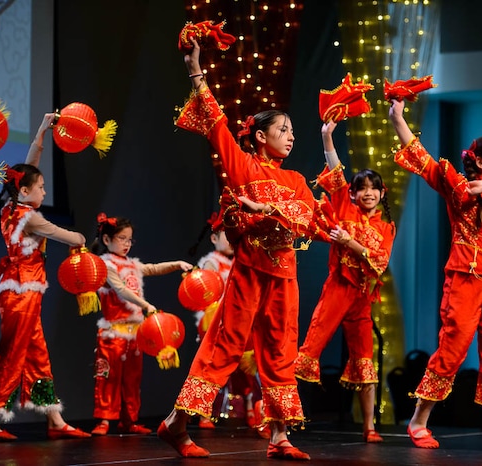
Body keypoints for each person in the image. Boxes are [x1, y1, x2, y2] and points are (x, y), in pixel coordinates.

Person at [158, 37, 315, 460]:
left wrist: (266, 209)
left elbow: (308, 222)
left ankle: (279, 436)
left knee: (282, 350)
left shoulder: (298, 181)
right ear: (260, 135)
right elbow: (215, 123)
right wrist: (195, 70)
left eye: (293, 131)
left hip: (285, 277)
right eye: (283, 130)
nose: (290, 137)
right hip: (248, 273)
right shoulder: (243, 165)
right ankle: (177, 423)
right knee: (224, 346)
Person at [389, 98, 482, 452]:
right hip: (465, 281)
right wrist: (397, 117)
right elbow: (420, 157)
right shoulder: (457, 187)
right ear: (480, 161)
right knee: (452, 351)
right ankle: (418, 421)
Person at [0, 113, 91, 441]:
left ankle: (54, 418)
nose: (43, 190)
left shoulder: (11, 207)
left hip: (24, 288)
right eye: (40, 187)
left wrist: (41, 131)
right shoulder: (30, 218)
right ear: (25, 191)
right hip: (22, 290)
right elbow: (67, 236)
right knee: (12, 352)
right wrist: (81, 238)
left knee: (38, 352)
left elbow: (26, 170)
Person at [295, 121, 395, 443]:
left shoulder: (386, 228)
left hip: (362, 297)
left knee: (365, 360)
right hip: (339, 288)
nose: (368, 193)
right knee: (309, 350)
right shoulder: (342, 207)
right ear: (352, 193)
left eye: (373, 188)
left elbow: (379, 261)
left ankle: (369, 426)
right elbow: (335, 170)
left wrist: (351, 243)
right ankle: (278, 416)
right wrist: (326, 135)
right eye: (361, 188)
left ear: (381, 193)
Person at [89, 213, 192, 436]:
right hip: (113, 332)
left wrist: (176, 264)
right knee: (109, 377)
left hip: (134, 333)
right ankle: (104, 420)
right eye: (122, 239)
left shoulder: (132, 264)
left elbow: (153, 268)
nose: (126, 244)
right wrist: (146, 305)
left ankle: (130, 419)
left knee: (132, 379)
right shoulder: (105, 264)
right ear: (107, 240)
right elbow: (121, 290)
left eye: (129, 240)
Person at [192, 217, 261, 431]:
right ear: (214, 238)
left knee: (245, 368)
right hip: (218, 320)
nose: (232, 239)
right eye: (226, 235)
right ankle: (204, 412)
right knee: (213, 367)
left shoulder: (241, 260)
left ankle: (249, 407)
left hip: (241, 320)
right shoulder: (211, 262)